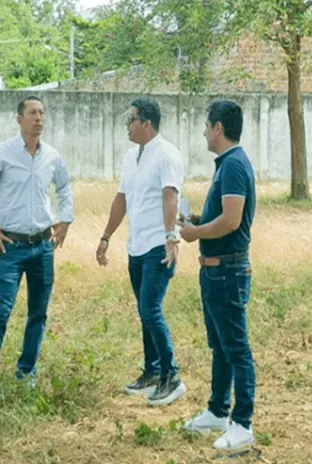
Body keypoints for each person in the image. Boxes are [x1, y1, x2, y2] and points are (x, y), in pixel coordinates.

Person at [0, 95, 73, 399]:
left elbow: (64, 187)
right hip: (11, 247)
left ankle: (26, 370)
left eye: (42, 112)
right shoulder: (2, 153)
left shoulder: (52, 156)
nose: (38, 118)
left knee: (38, 314)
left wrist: (65, 219)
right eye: (32, 113)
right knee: (1, 311)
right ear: (19, 119)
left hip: (42, 245)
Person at [96, 97, 187, 406]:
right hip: (136, 246)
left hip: (158, 246)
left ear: (146, 123)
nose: (127, 125)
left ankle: (171, 377)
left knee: (151, 309)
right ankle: (152, 371)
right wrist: (106, 236)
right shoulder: (130, 157)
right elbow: (121, 199)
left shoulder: (167, 155)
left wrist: (171, 237)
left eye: (131, 119)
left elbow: (170, 197)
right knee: (144, 311)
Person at [179, 99, 257, 451]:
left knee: (236, 348)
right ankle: (217, 410)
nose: (204, 132)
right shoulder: (226, 165)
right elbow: (221, 216)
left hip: (227, 271)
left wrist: (196, 234)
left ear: (219, 129)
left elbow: (231, 221)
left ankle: (242, 423)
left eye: (207, 126)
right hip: (215, 271)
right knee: (221, 347)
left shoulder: (235, 166)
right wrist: (197, 220)